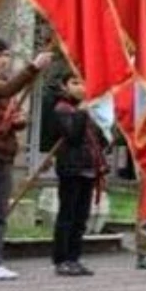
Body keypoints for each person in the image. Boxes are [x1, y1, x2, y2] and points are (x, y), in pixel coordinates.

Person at [0, 37, 54, 280]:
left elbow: (9, 101)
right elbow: (6, 90)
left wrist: (18, 119)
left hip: (3, 149)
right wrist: (33, 67)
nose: (4, 60)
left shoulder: (1, 81)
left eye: (6, 55)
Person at [51, 73, 108, 277]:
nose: (80, 87)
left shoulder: (88, 109)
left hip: (89, 169)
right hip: (71, 168)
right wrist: (82, 113)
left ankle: (74, 258)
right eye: (75, 83)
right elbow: (73, 136)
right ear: (64, 86)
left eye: (84, 82)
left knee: (81, 218)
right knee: (67, 215)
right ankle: (61, 259)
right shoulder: (62, 109)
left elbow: (100, 139)